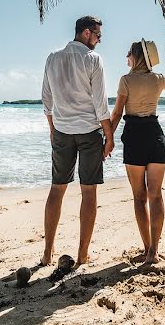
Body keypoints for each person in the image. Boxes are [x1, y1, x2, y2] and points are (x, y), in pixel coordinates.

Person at [40, 15, 114, 267]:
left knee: (57, 188)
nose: (99, 40)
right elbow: (100, 104)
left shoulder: (52, 58)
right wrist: (110, 136)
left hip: (62, 130)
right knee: (89, 190)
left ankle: (47, 253)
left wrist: (53, 129)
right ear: (85, 33)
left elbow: (46, 100)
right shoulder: (92, 59)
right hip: (89, 131)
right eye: (98, 35)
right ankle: (83, 254)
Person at [110, 40, 165, 264]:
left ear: (137, 56)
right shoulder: (158, 79)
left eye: (129, 53)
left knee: (139, 198)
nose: (126, 57)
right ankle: (153, 252)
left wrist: (108, 139)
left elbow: (118, 113)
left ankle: (148, 248)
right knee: (156, 194)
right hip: (155, 135)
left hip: (134, 137)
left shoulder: (126, 80)